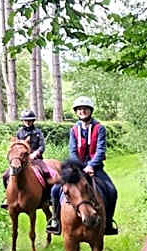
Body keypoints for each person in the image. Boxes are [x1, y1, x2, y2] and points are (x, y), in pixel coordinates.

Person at [49, 96, 119, 235]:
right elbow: (72, 150)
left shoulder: (100, 129)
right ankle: (55, 220)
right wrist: (78, 167)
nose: (82, 111)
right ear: (76, 112)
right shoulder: (74, 130)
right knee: (55, 190)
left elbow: (101, 150)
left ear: (90, 110)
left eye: (85, 109)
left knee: (112, 191)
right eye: (79, 109)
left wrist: (92, 165)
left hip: (95, 167)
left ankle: (108, 222)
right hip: (77, 168)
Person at [1, 109, 49, 210]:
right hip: (22, 160)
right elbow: (16, 146)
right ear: (23, 121)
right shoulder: (19, 132)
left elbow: (42, 146)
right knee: (6, 175)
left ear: (33, 121)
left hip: (36, 160)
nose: (28, 122)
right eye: (26, 120)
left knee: (47, 172)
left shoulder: (38, 132)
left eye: (30, 120)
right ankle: (7, 197)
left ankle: (47, 197)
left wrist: (35, 154)